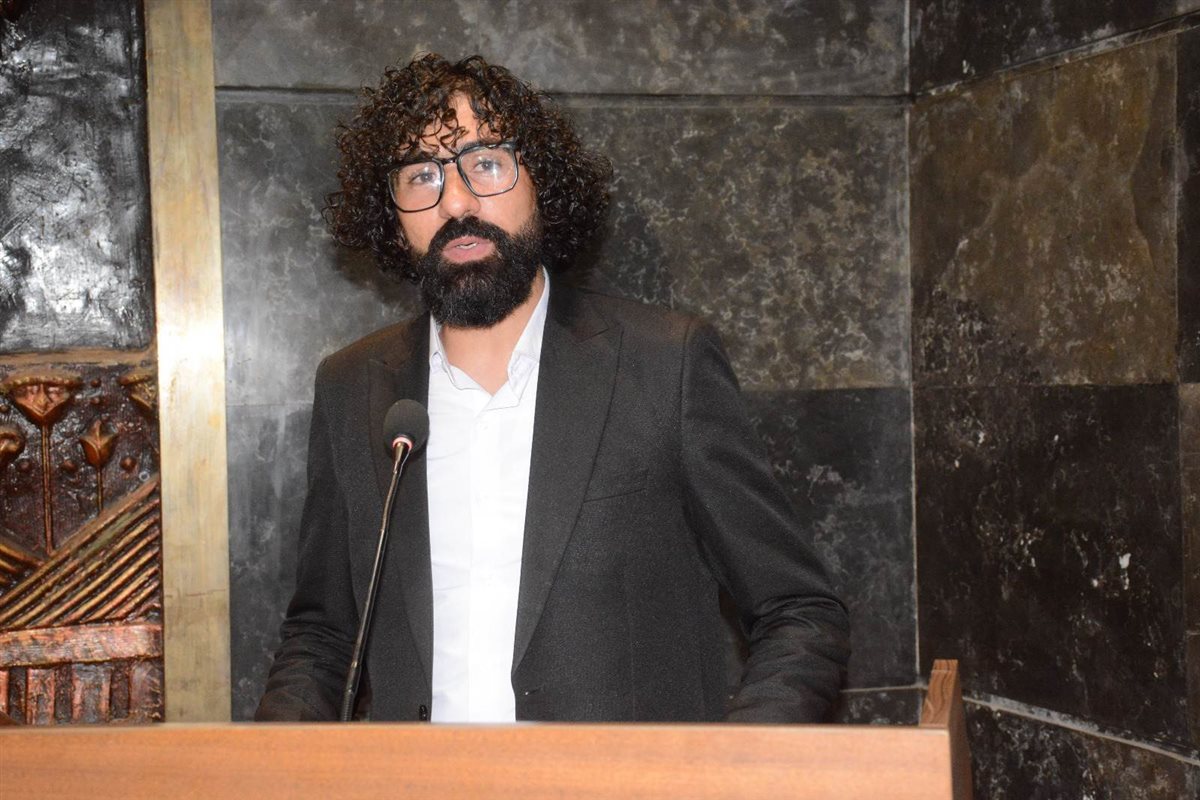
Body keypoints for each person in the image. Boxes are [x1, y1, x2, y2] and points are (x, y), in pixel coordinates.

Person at [256, 53, 849, 724]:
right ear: (392, 216)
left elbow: (799, 610)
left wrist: (733, 766)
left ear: (541, 181)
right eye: (421, 175)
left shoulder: (663, 365)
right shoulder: (354, 388)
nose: (456, 202)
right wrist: (265, 765)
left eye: (485, 163)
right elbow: (322, 638)